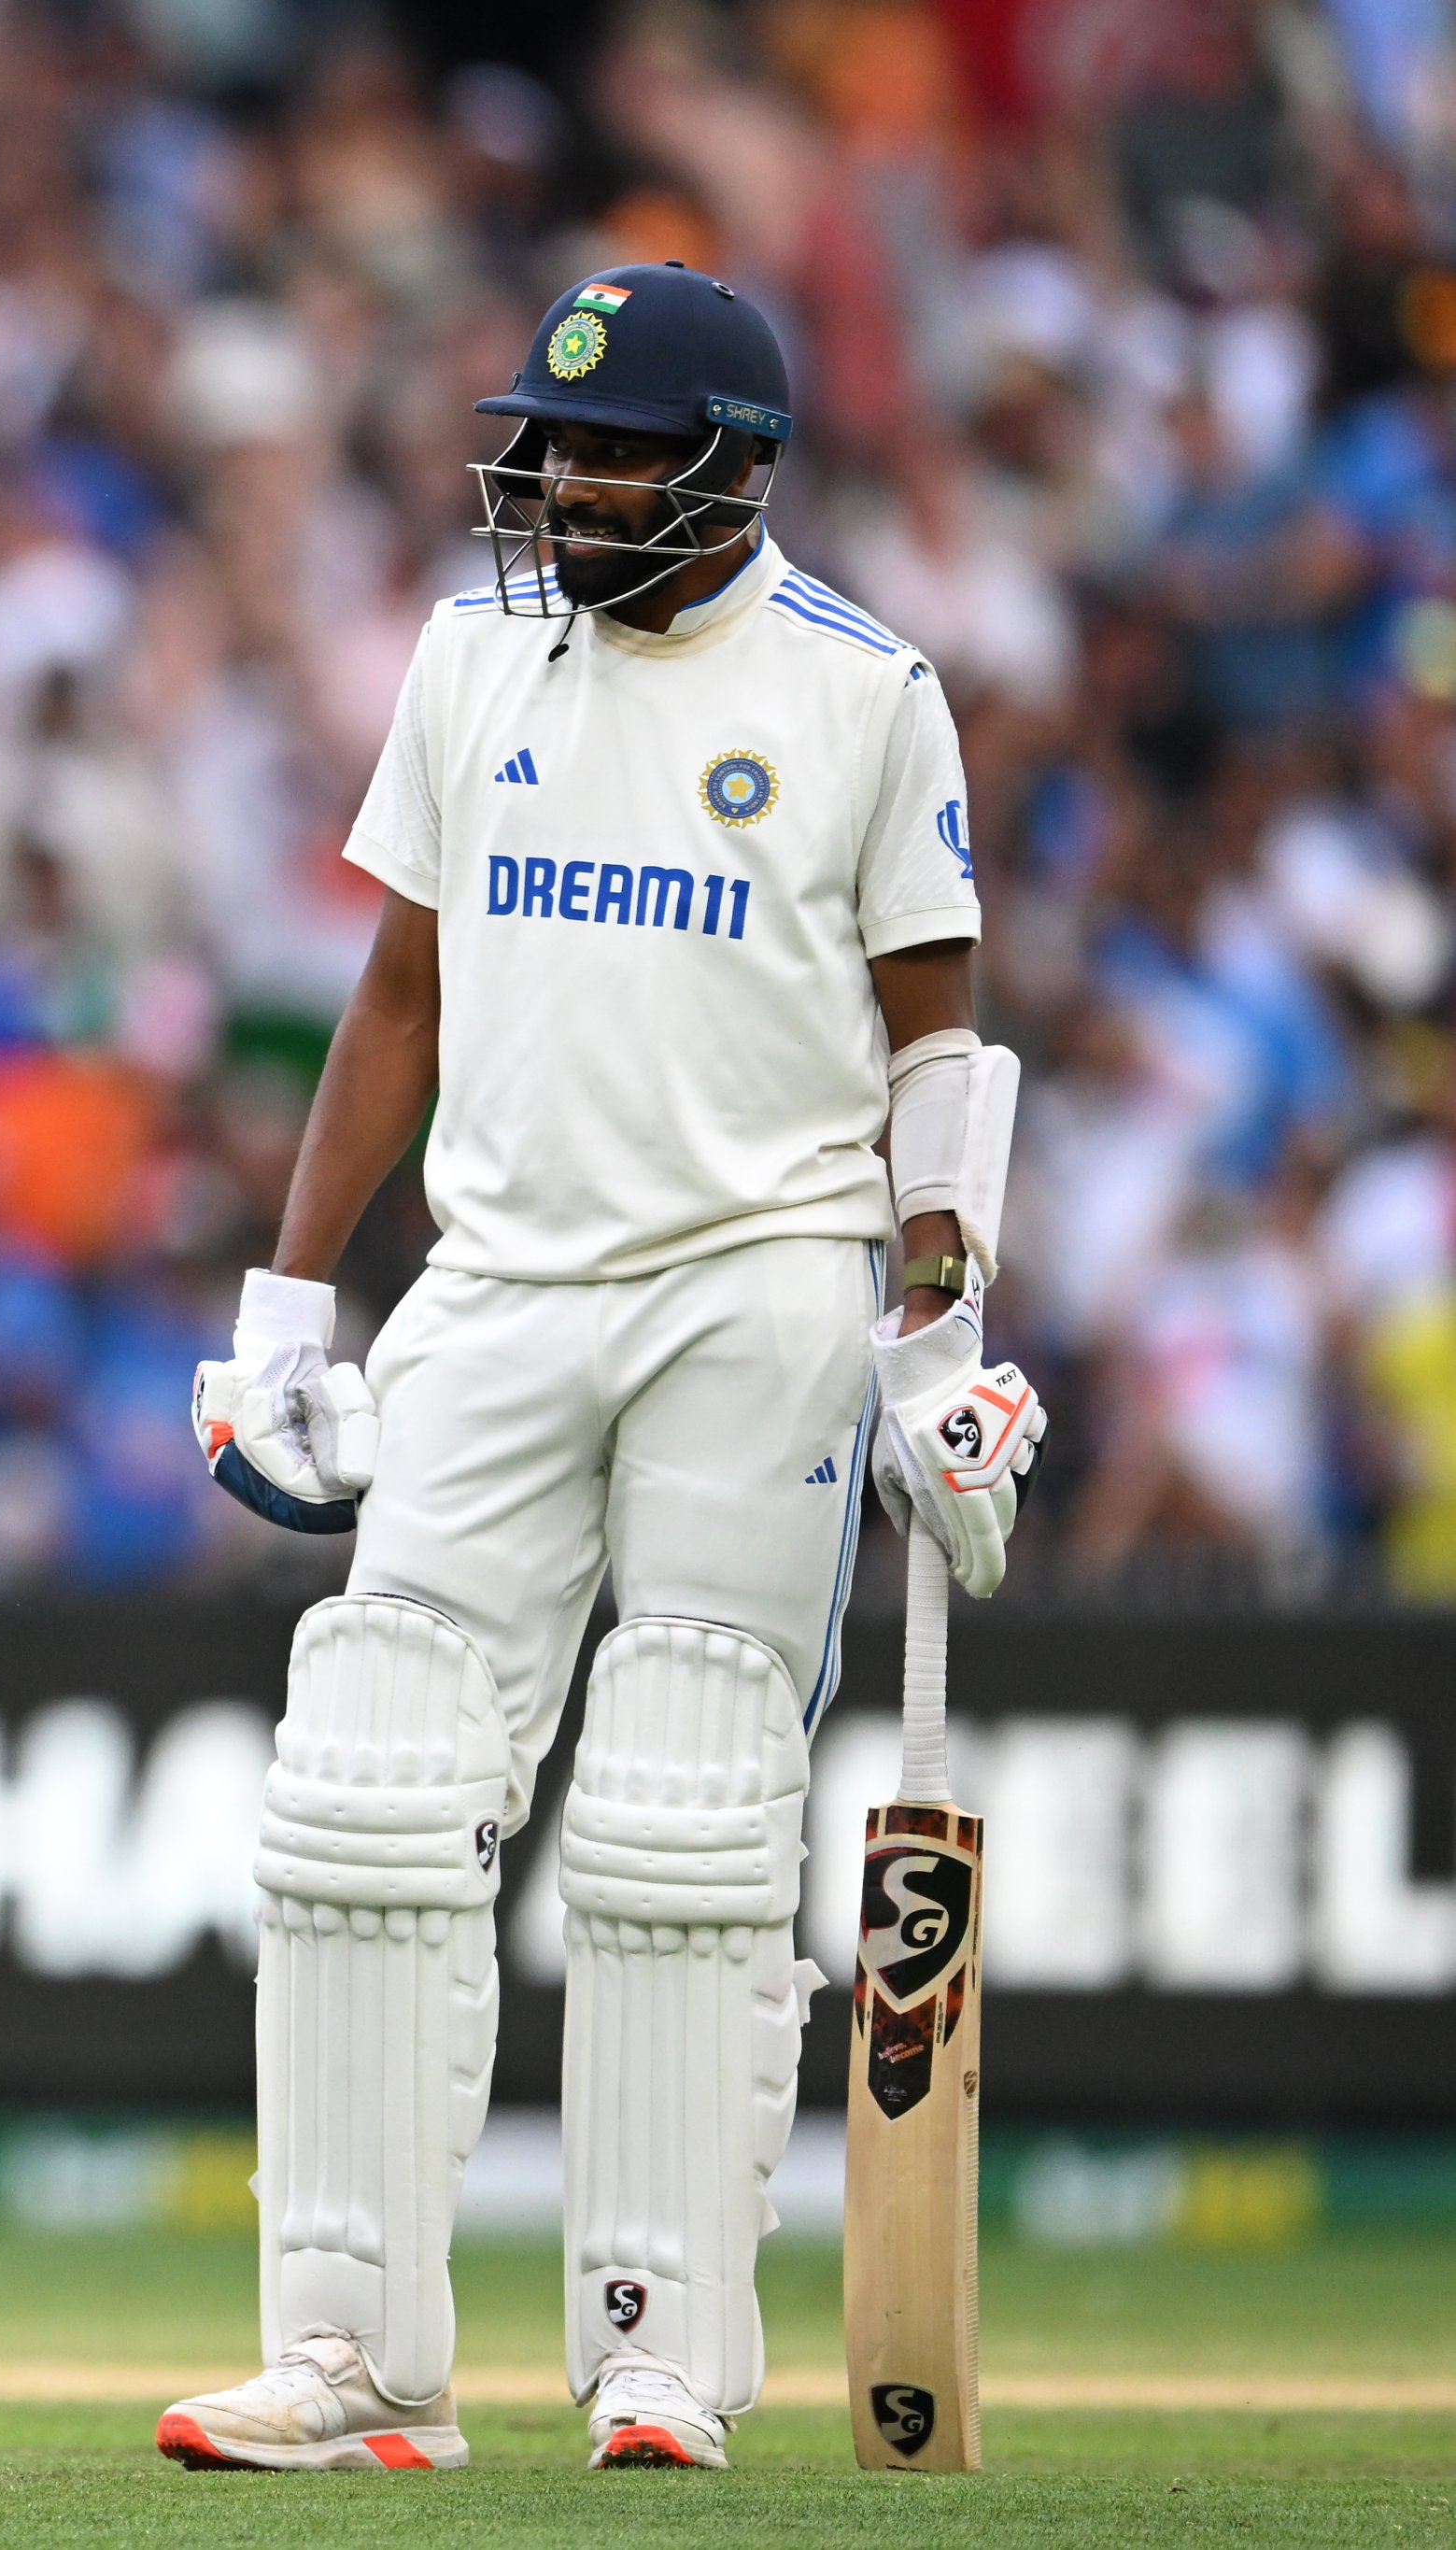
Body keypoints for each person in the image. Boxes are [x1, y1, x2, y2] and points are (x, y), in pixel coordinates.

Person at [164, 264, 1047, 2476]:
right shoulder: (475, 659)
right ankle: (357, 2355)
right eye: (548, 448)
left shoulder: (868, 690)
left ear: (738, 466)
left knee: (688, 1809)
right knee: (368, 1792)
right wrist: (291, 1302)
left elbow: (938, 1037)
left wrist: (943, 1330)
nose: (561, 486)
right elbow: (395, 996)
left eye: (615, 450)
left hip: (760, 1276)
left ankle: (660, 2348)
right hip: (499, 1278)